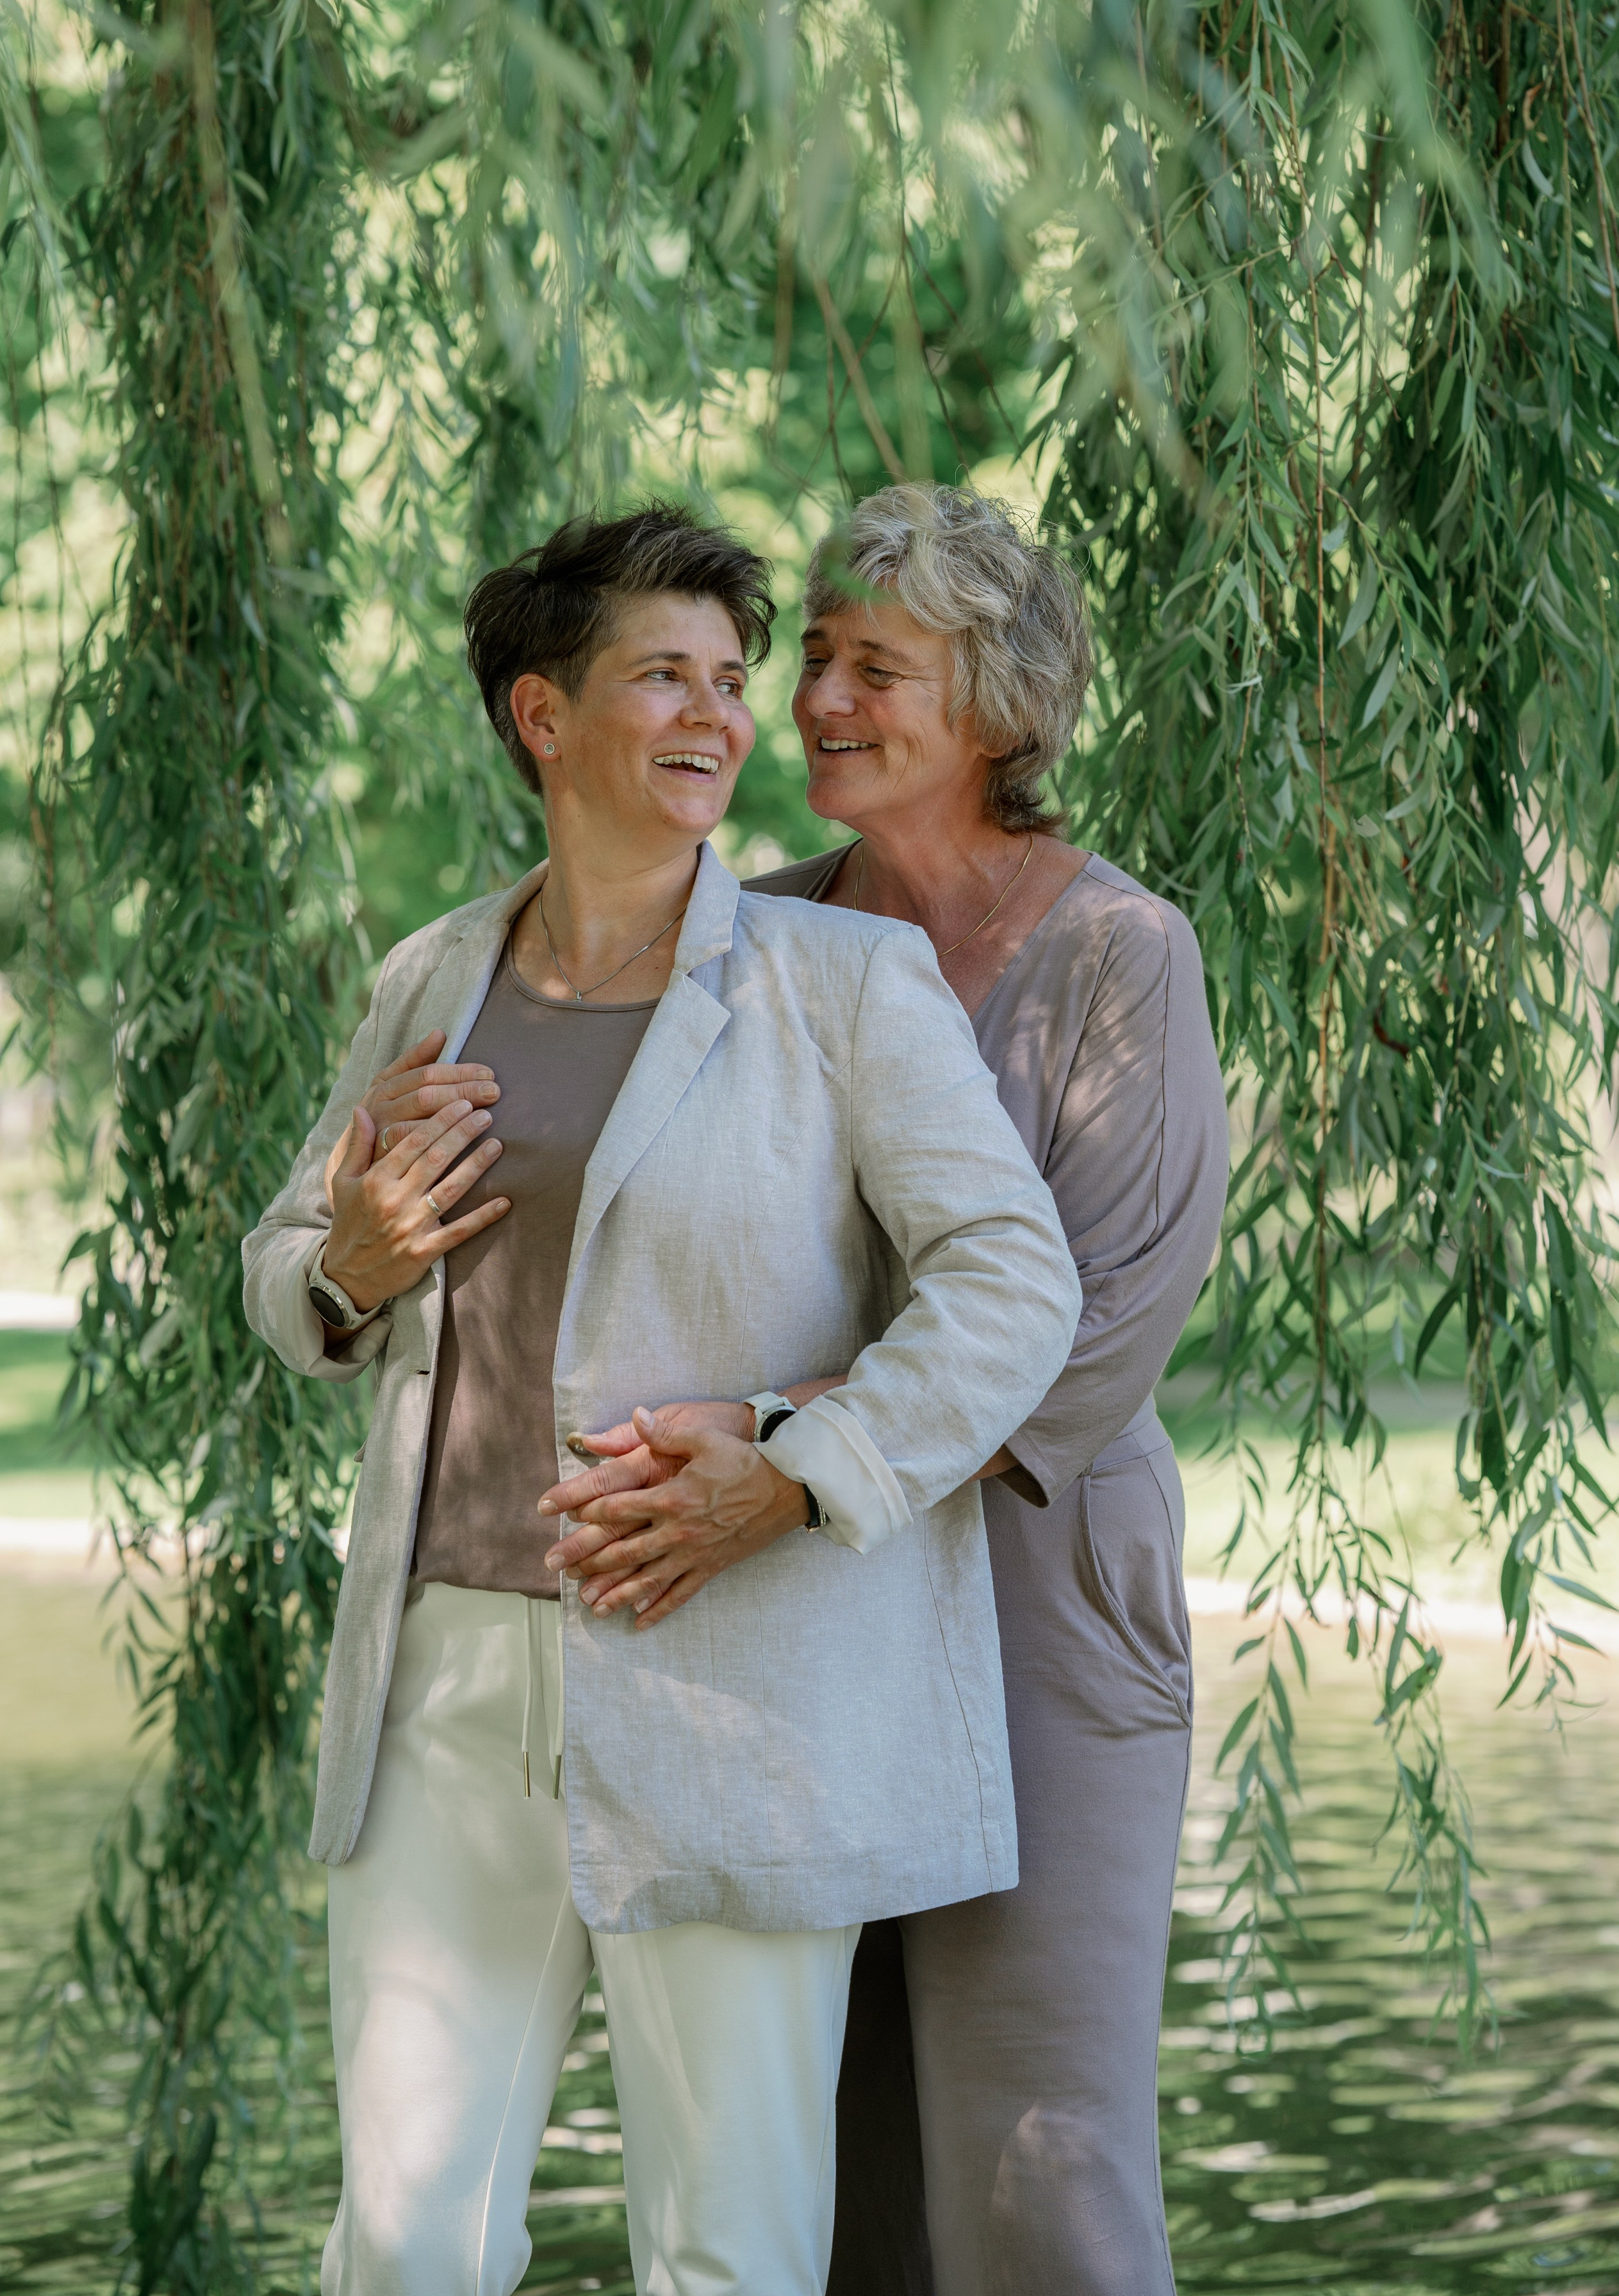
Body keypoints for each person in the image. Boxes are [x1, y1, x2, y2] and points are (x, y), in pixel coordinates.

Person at [240, 503, 1081, 2296]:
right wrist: (351, 1264)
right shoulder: (433, 977)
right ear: (544, 716)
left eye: (729, 679)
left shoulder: (841, 986)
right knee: (401, 2242)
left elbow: (1016, 1283)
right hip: (445, 1676)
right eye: (663, 678)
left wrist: (798, 1470)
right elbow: (291, 1261)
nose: (718, 716)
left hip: (731, 1677)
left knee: (729, 2252)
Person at [547, 485, 1229, 2296]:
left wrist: (789, 1442)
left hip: (1036, 1589)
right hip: (795, 1595)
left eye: (878, 668)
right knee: (828, 2164)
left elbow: (1097, 1327)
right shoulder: (757, 935)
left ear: (999, 706)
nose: (820, 701)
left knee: (1037, 2154)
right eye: (819, 661)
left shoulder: (1120, 955)